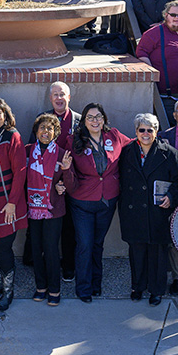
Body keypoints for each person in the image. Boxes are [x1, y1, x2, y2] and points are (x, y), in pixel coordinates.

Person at [63, 103, 133, 303]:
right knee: (84, 244)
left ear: (104, 118)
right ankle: (83, 288)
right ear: (84, 121)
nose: (95, 121)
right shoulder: (74, 141)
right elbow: (65, 168)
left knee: (97, 243)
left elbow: (135, 145)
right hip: (81, 202)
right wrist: (66, 172)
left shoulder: (115, 136)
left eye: (98, 116)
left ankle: (96, 284)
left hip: (107, 200)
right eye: (90, 117)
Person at [117, 112, 178, 306]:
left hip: (158, 211)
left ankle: (157, 290)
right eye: (142, 130)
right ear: (136, 131)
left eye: (150, 129)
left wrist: (171, 197)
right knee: (136, 251)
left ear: (157, 131)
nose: (146, 133)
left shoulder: (169, 153)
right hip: (133, 210)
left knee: (158, 253)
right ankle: (137, 286)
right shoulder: (126, 152)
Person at [22, 113, 70, 306]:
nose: (45, 131)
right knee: (36, 248)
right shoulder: (27, 151)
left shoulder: (61, 154)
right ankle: (40, 287)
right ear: (36, 131)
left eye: (50, 128)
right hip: (32, 207)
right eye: (42, 128)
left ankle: (54, 289)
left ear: (55, 132)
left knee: (50, 249)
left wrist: (64, 177)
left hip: (53, 209)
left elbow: (71, 185)